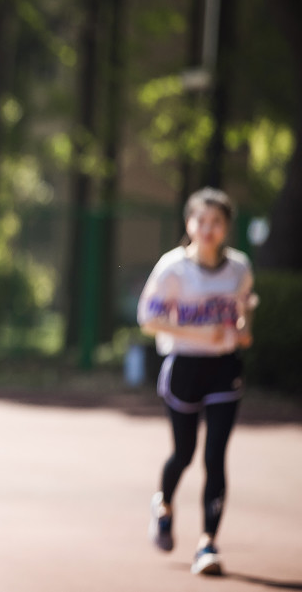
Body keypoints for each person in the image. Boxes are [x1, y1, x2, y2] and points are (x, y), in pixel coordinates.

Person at [138, 187, 257, 576]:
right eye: (201, 221)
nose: (208, 229)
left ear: (226, 228)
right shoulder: (173, 269)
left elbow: (244, 315)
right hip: (184, 369)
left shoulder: (239, 269)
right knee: (185, 453)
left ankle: (207, 543)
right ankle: (165, 503)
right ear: (189, 224)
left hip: (224, 369)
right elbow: (148, 318)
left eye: (216, 222)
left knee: (215, 456)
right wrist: (197, 333)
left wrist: (242, 330)